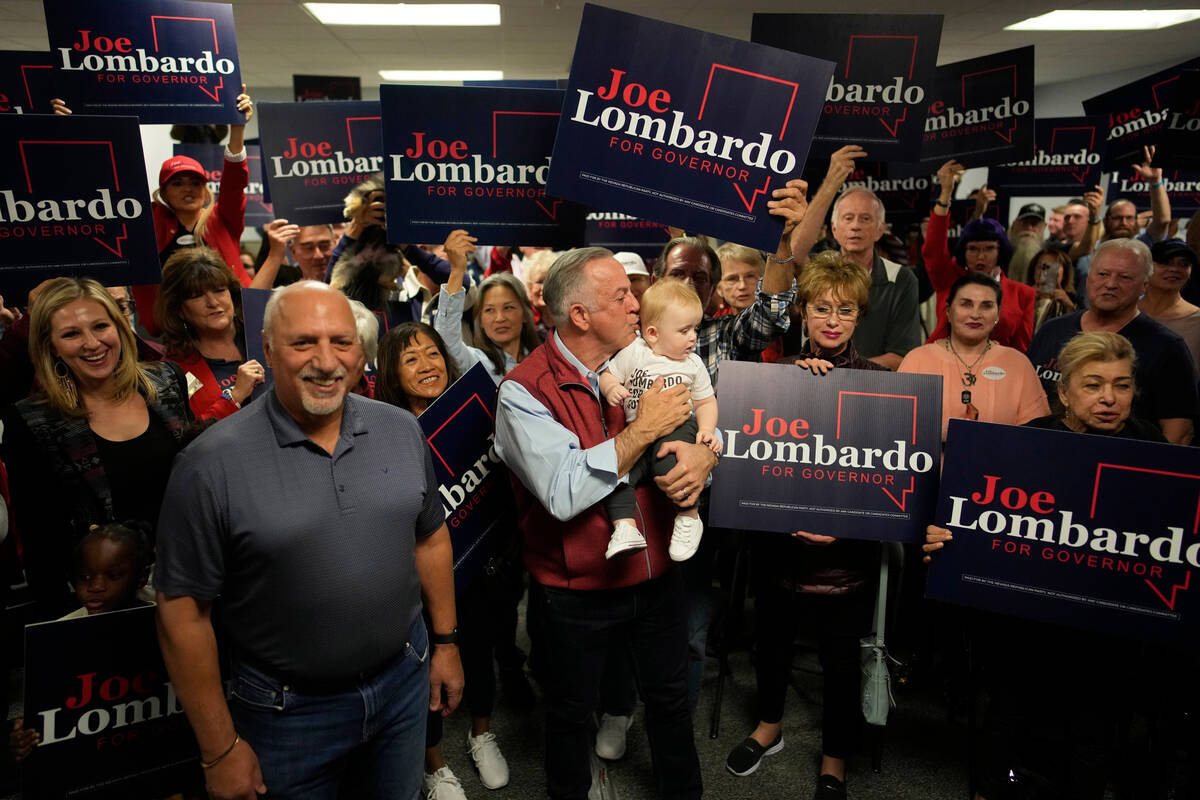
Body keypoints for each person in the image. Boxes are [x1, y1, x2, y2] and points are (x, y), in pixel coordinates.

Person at [154, 281, 463, 800]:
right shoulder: (209, 465)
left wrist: (447, 644)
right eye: (303, 343)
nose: (326, 361)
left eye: (341, 342)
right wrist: (220, 747)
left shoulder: (401, 429)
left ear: (361, 351)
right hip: (286, 714)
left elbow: (430, 539)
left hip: (403, 689)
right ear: (267, 349)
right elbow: (182, 613)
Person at [494, 247, 714, 800]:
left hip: (657, 575)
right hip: (575, 592)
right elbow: (563, 491)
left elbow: (699, 425)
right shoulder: (524, 390)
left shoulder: (648, 356)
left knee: (669, 703)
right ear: (581, 315)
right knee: (570, 713)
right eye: (620, 296)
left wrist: (706, 456)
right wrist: (643, 431)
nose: (637, 303)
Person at [923, 332, 1166, 800]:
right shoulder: (1028, 443)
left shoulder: (1152, 447)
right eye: (1093, 385)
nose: (1109, 398)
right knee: (1008, 707)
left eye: (1121, 385)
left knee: (1094, 728)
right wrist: (945, 538)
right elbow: (980, 520)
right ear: (1065, 393)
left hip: (1107, 627)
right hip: (1026, 621)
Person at [725, 251, 882, 800]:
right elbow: (750, 462)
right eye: (821, 308)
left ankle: (835, 759)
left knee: (841, 661)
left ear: (859, 316)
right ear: (803, 313)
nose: (832, 320)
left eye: (845, 310)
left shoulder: (882, 384)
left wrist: (845, 528)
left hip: (847, 560)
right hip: (779, 551)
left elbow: (887, 481)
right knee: (771, 644)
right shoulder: (774, 377)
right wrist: (794, 386)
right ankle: (768, 727)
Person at [375, 320, 517, 799]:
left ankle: (482, 733)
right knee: (427, 662)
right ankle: (434, 764)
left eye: (432, 353)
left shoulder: (475, 410)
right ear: (392, 373)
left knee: (480, 648)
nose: (426, 365)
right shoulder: (386, 431)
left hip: (483, 564)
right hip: (419, 577)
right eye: (410, 358)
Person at [1, 278, 193, 618]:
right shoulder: (30, 422)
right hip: (102, 609)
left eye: (101, 326)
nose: (92, 343)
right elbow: (38, 540)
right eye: (71, 334)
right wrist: (65, 627)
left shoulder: (168, 382)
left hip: (189, 584)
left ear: (119, 326)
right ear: (51, 347)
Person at [8, 519, 155, 762]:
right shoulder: (57, 637)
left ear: (141, 578)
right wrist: (26, 736)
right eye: (84, 576)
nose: (95, 586)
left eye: (112, 575)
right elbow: (49, 710)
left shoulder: (165, 623)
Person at [1028, 238, 1198, 444]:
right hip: (1045, 453)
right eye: (1103, 274)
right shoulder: (1052, 330)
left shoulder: (1168, 347)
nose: (1110, 284)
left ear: (1144, 285)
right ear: (1088, 277)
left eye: (1125, 277)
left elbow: (1179, 433)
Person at [599, 279, 720, 561]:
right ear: (653, 333)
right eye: (684, 331)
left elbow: (705, 401)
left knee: (671, 464)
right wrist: (612, 388)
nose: (693, 338)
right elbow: (608, 375)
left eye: (695, 329)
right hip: (638, 433)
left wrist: (706, 430)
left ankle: (689, 517)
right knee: (617, 476)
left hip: (678, 428)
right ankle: (625, 528)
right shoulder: (634, 352)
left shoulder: (693, 364)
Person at [787, 146, 923, 369]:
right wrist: (832, 181)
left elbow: (903, 357)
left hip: (871, 386)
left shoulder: (901, 278)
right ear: (834, 228)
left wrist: (841, 371)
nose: (855, 226)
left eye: (865, 218)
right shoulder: (818, 270)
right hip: (810, 377)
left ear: (880, 230)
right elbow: (794, 254)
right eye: (848, 218)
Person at [899, 274, 1049, 440]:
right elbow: (895, 428)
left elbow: (1036, 436)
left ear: (998, 314)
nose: (976, 314)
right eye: (966, 304)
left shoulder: (1018, 364)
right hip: (928, 457)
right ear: (948, 312)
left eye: (986, 306)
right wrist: (935, 435)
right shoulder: (918, 359)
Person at [924, 160, 1036, 352]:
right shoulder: (948, 280)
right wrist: (945, 194)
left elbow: (1021, 351)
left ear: (1001, 251)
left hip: (999, 369)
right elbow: (933, 249)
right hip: (943, 364)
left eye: (989, 248)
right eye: (973, 249)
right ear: (964, 252)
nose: (981, 256)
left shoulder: (1023, 294)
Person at [156, 248, 265, 420]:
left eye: (219, 290)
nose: (213, 303)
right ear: (179, 310)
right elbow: (190, 433)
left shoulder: (264, 335)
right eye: (197, 296)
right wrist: (234, 397)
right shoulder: (172, 372)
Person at [1138, 240, 1200, 375]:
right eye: (1165, 262)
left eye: (1184, 264)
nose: (1174, 269)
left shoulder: (1197, 320)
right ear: (1147, 267)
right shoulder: (1124, 311)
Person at [1027, 247, 1078, 332]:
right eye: (1042, 266)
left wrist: (1068, 306)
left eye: (1053, 267)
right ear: (1034, 270)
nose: (1046, 272)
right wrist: (1027, 300)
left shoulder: (1073, 301)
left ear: (1064, 274)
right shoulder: (1020, 295)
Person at [714, 243, 766, 316]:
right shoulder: (714, 321)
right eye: (732, 279)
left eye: (750, 276)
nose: (742, 286)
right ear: (719, 289)